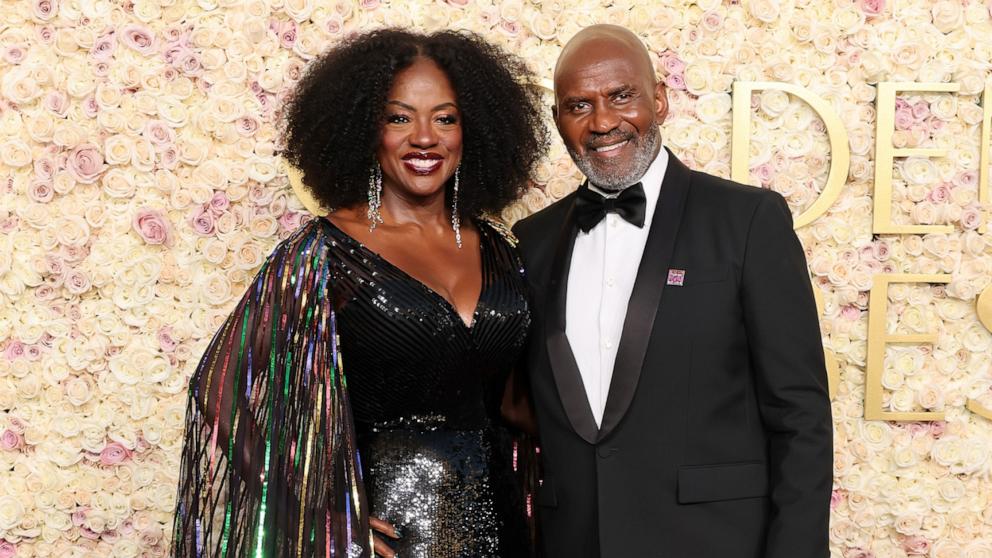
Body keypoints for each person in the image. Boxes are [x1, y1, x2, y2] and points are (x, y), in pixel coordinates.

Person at [172, 29, 547, 557]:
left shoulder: (502, 250)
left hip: (504, 526)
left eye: (445, 117)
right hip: (393, 538)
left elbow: (518, 402)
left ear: (473, 130)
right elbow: (223, 395)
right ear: (364, 130)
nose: (424, 137)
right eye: (398, 118)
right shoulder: (323, 254)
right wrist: (322, 513)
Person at [512, 24, 832, 558]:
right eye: (578, 106)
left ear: (659, 100)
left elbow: (799, 412)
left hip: (714, 542)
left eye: (621, 96)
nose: (603, 121)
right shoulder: (533, 241)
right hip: (574, 542)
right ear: (559, 121)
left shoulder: (748, 220)